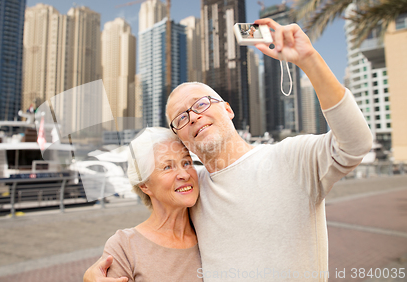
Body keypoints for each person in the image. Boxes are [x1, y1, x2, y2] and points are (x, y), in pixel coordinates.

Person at [85, 18, 372, 281]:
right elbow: (155, 232)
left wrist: (310, 60)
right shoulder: (195, 193)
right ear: (182, 140)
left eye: (201, 104)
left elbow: (355, 144)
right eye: (181, 118)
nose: (194, 116)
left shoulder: (290, 157)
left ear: (228, 109)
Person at [85, 127, 202, 282]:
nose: (185, 174)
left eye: (187, 162)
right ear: (145, 186)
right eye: (167, 167)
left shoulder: (209, 231)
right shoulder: (124, 247)